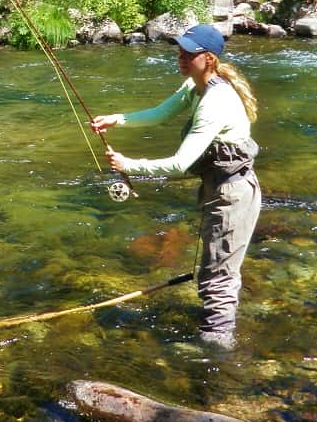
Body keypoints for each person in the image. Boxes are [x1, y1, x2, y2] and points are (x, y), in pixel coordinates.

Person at [91, 24, 261, 350]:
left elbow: (179, 164)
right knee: (215, 268)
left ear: (209, 58)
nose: (181, 57)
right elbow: (160, 114)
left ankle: (216, 350)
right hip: (220, 190)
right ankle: (214, 336)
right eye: (180, 50)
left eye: (189, 52)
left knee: (218, 278)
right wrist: (117, 118)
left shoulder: (216, 102)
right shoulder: (195, 87)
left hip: (233, 195)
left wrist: (130, 166)